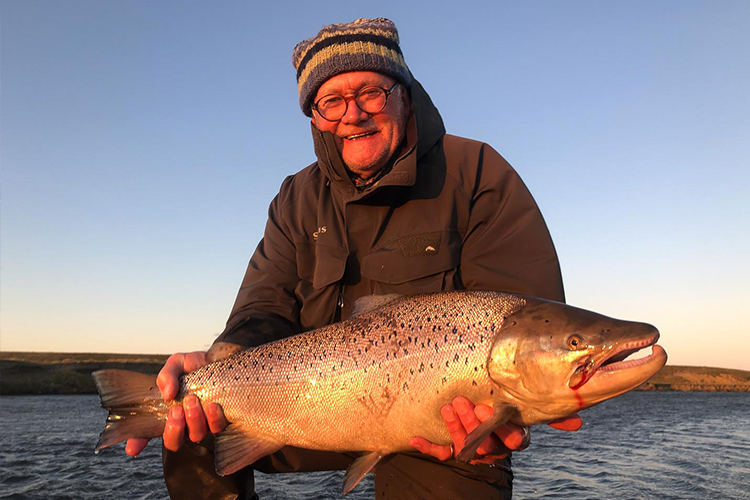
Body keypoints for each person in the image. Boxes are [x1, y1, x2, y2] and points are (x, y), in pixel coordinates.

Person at [126, 17, 581, 500]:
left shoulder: (476, 173)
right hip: (311, 404)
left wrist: (499, 422)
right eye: (332, 101)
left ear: (404, 93)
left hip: (439, 424)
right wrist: (222, 362)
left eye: (371, 92)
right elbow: (263, 308)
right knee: (193, 428)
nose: (353, 115)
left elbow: (529, 320)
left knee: (460, 461)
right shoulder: (294, 198)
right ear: (315, 116)